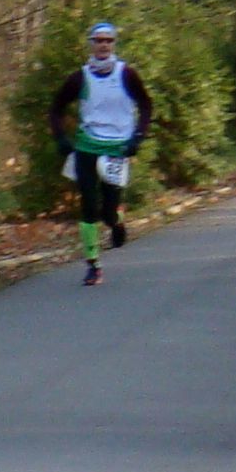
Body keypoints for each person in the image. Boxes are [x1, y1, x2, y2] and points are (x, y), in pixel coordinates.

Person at [49, 21, 153, 287]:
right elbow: (56, 108)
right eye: (99, 40)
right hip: (87, 146)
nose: (104, 45)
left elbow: (146, 104)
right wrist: (61, 137)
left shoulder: (126, 74)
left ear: (114, 44)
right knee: (88, 204)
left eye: (108, 40)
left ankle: (116, 221)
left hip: (117, 148)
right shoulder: (80, 77)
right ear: (91, 44)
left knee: (107, 211)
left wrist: (138, 136)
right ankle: (93, 265)